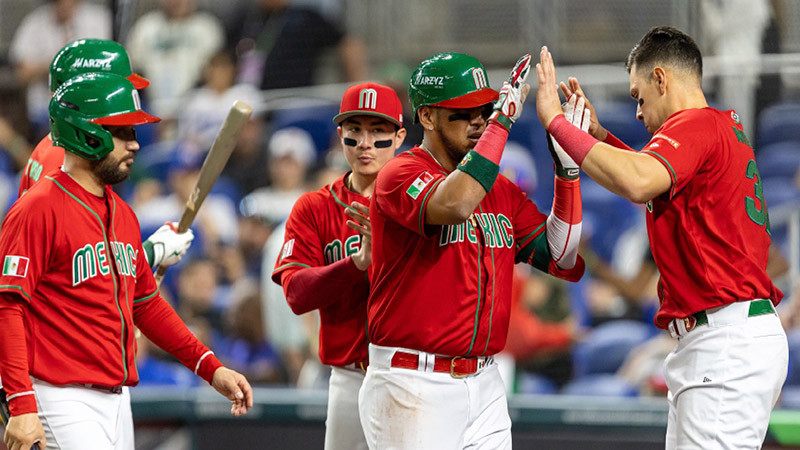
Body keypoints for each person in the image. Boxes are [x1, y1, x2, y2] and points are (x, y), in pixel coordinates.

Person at [535, 26, 788, 449]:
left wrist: (557, 124)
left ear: (661, 79)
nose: (637, 111)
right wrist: (597, 136)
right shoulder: (717, 126)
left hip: (724, 341)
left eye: (638, 96)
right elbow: (648, 177)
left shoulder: (695, 125)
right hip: (723, 337)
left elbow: (637, 182)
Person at [0, 73, 253, 450]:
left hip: (117, 398)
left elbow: (146, 305)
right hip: (59, 394)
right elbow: (8, 306)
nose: (134, 144)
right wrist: (21, 403)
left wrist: (209, 367)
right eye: (121, 132)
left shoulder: (123, 213)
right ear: (87, 134)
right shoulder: (38, 209)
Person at [359, 52, 586, 448]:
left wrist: (567, 172)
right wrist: (502, 123)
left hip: (485, 382)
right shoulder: (400, 173)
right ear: (427, 117)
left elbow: (562, 256)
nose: (480, 119)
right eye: (464, 112)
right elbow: (456, 203)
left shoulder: (499, 190)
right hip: (413, 382)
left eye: (485, 108)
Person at [272, 82, 406, 450]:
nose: (365, 142)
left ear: (399, 137)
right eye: (355, 130)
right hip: (349, 376)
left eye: (378, 130)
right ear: (340, 136)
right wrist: (356, 264)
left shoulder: (421, 202)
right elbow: (296, 293)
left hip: (411, 374)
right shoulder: (314, 207)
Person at [18, 38, 193, 273]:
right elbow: (81, 267)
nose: (126, 97)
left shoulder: (54, 146)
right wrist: (151, 252)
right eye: (115, 88)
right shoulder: (66, 164)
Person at [9, 0, 111, 135]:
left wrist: (79, 62)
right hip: (45, 111)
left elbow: (112, 65)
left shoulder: (99, 19)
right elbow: (21, 74)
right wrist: (56, 63)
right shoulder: (35, 22)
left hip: (92, 107)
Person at [228, 0, 367, 90]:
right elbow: (224, 60)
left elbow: (348, 43)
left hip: (293, 102)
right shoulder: (244, 20)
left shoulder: (304, 19)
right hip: (250, 99)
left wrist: (356, 88)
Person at [126, 0, 225, 118]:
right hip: (149, 109)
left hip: (195, 110)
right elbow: (129, 71)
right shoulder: (146, 27)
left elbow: (218, 76)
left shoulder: (207, 28)